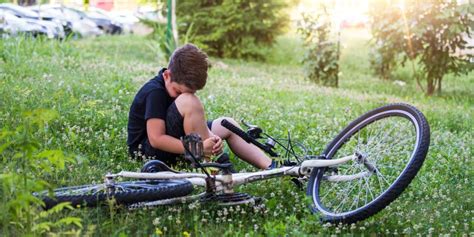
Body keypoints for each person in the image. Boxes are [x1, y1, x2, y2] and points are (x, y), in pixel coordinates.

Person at [127, 43, 273, 169]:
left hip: (179, 142)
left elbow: (190, 124)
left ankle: (271, 166)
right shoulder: (155, 92)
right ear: (167, 75)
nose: (180, 96)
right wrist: (199, 148)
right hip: (149, 153)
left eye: (188, 92)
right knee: (190, 102)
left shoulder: (174, 84)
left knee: (227, 124)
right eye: (178, 91)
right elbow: (156, 139)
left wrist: (211, 138)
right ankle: (212, 170)